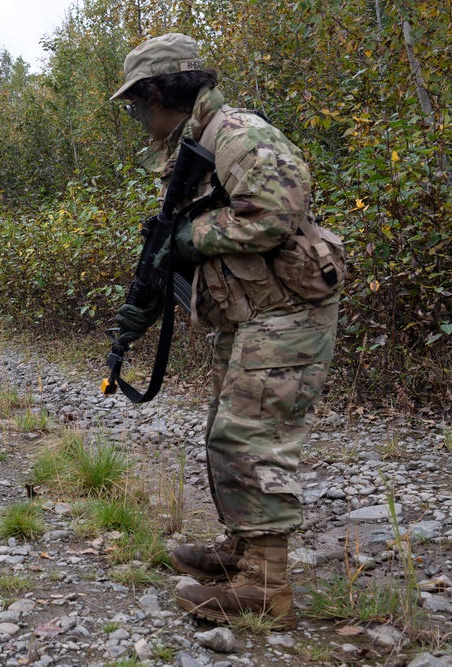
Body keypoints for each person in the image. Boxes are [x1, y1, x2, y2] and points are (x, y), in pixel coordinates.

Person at [110, 33, 341, 630]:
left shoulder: (237, 133)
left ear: (164, 92)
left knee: (248, 438)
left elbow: (278, 210)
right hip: (252, 311)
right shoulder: (193, 144)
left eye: (139, 104)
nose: (139, 118)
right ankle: (243, 553)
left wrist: (191, 238)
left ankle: (267, 587)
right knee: (224, 432)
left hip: (288, 311)